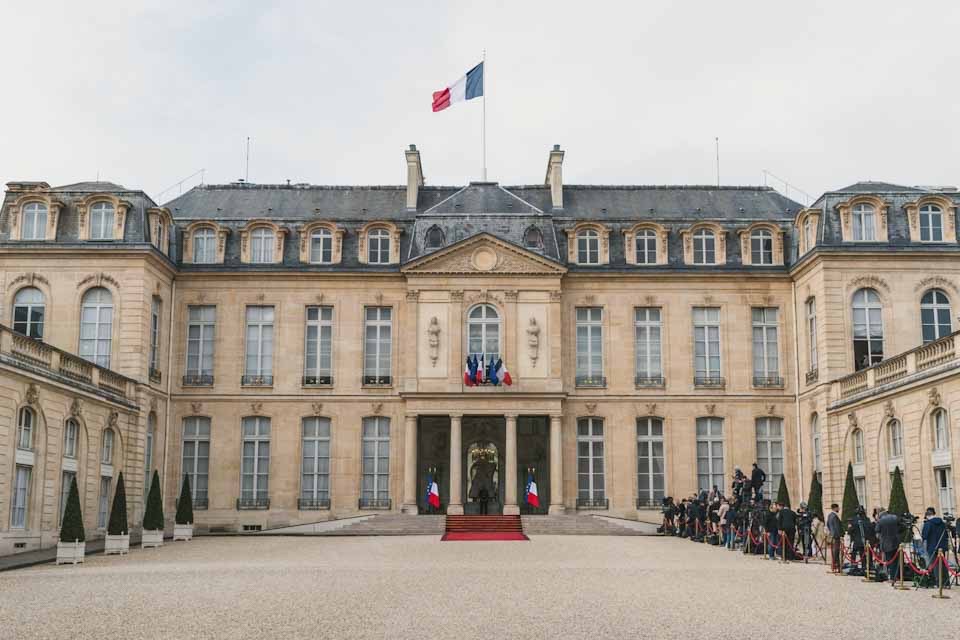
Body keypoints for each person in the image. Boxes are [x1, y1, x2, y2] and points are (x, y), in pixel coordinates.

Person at [921, 507, 950, 587]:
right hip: (942, 546)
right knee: (943, 564)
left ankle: (939, 583)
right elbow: (946, 534)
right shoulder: (942, 523)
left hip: (932, 547)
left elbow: (924, 536)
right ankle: (946, 582)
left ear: (927, 515)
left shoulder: (928, 523)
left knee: (935, 565)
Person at [876, 509, 901, 584]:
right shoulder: (895, 517)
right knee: (896, 561)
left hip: (886, 543)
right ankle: (897, 576)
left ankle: (892, 578)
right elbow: (901, 527)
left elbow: (877, 530)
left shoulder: (880, 521)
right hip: (896, 542)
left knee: (890, 561)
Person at [826, 503, 842, 572]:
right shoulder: (834, 516)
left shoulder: (830, 515)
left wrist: (831, 532)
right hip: (836, 536)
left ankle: (835, 565)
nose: (839, 509)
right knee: (836, 551)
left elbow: (828, 524)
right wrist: (840, 535)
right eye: (838, 508)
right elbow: (837, 527)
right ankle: (836, 565)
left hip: (832, 535)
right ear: (835, 508)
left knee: (834, 551)